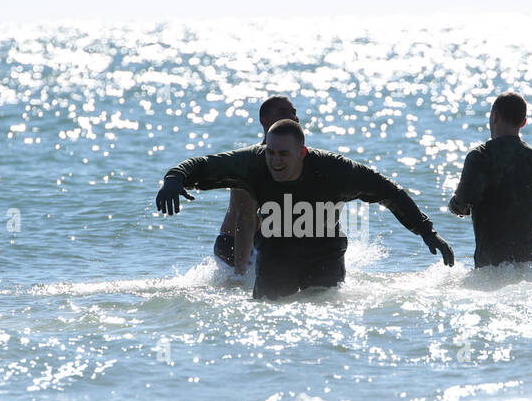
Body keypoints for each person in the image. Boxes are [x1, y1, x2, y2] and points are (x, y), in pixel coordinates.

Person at [156, 119, 454, 299]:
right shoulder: (254, 163)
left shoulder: (335, 170)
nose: (275, 161)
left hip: (323, 266)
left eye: (283, 154)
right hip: (274, 267)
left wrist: (427, 231)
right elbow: (206, 164)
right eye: (271, 153)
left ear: (302, 153)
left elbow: (390, 192)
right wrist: (174, 178)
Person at [447, 92, 532, 267]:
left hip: (492, 266)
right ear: (523, 122)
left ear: (494, 116)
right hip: (531, 265)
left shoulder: (480, 156)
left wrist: (453, 204)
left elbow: (462, 204)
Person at [213, 96, 298, 274]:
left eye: (294, 113)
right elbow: (245, 218)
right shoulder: (250, 163)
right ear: (264, 121)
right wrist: (240, 272)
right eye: (284, 113)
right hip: (236, 246)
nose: (293, 118)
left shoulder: (295, 162)